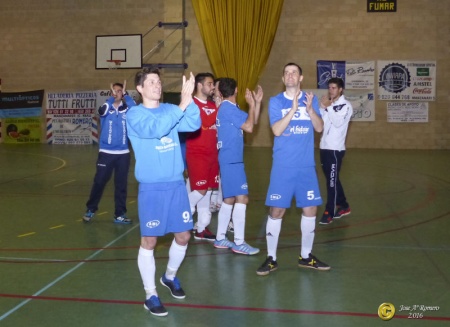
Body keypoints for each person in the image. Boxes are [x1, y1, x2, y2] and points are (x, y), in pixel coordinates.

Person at [126, 67, 200, 317]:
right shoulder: (134, 115)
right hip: (152, 188)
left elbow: (194, 123)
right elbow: (155, 129)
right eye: (151, 82)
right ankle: (150, 295)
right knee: (149, 241)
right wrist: (182, 105)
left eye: (159, 81)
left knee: (183, 236)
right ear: (140, 88)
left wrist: (190, 100)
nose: (157, 85)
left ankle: (169, 277)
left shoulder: (171, 108)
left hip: (176, 185)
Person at [257, 63, 330, 276]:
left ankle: (306, 257)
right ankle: (271, 258)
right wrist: (293, 109)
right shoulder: (275, 101)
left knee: (310, 210)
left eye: (294, 72)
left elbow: (319, 127)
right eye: (286, 72)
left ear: (301, 78)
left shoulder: (311, 100)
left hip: (306, 166)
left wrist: (308, 109)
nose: (290, 75)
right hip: (283, 167)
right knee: (277, 211)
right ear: (283, 78)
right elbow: (277, 130)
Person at [213, 77, 263, 255]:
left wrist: (255, 103)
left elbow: (252, 121)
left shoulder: (230, 108)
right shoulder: (228, 109)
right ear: (236, 91)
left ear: (220, 92)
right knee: (242, 199)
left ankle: (220, 238)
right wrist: (251, 104)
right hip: (231, 159)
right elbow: (249, 127)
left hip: (229, 158)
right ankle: (239, 242)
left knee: (229, 199)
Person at [83, 82, 135, 224]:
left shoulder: (127, 109)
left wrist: (126, 96)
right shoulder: (106, 107)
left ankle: (119, 214)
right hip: (106, 152)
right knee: (99, 182)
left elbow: (137, 110)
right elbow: (102, 112)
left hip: (123, 153)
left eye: (120, 91)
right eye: (115, 91)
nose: (117, 93)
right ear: (111, 92)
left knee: (121, 185)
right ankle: (91, 209)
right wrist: (112, 98)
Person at [186, 73, 219, 241]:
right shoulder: (192, 103)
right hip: (197, 153)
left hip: (213, 154)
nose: (212, 87)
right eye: (209, 83)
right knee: (200, 190)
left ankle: (201, 229)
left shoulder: (213, 105)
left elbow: (215, 126)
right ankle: (179, 211)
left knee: (207, 192)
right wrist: (220, 107)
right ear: (199, 85)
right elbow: (205, 122)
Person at [318, 77, 352, 224]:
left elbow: (338, 123)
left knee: (331, 182)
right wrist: (322, 108)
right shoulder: (329, 105)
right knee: (332, 180)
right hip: (324, 147)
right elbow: (322, 124)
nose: (331, 90)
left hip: (335, 150)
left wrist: (329, 107)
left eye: (334, 88)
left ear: (340, 89)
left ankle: (329, 211)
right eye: (329, 87)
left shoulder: (346, 106)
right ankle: (344, 205)